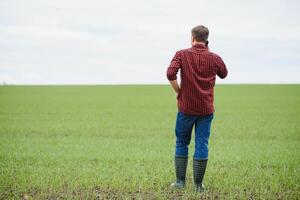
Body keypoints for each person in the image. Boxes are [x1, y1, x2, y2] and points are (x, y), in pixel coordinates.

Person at [166, 25, 228, 192]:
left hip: (186, 109)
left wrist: (179, 91)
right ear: (207, 40)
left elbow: (170, 73)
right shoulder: (214, 58)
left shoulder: (181, 54)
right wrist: (208, 53)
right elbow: (224, 73)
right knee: (202, 144)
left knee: (181, 142)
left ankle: (180, 182)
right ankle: (198, 186)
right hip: (206, 110)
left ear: (192, 38)